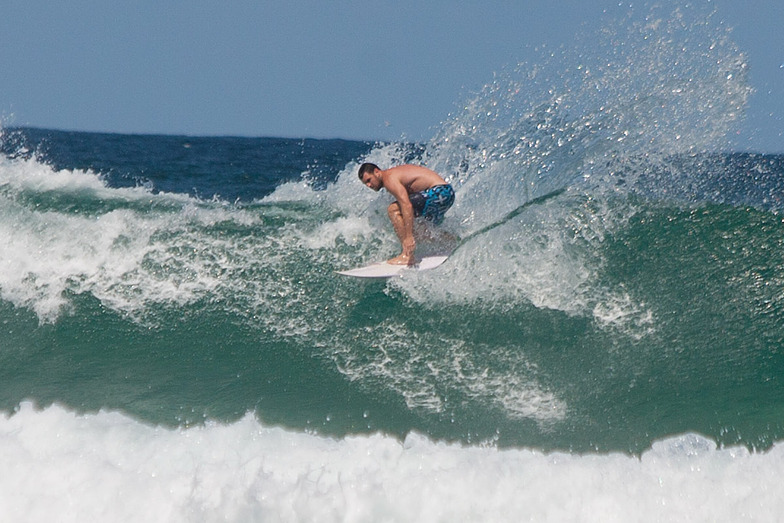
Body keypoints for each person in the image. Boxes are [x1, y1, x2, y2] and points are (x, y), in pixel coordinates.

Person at [358, 163, 455, 265]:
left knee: (393, 210)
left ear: (377, 172)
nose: (369, 185)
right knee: (417, 231)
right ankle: (450, 240)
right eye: (366, 184)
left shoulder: (389, 179)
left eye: (369, 180)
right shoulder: (395, 174)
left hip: (439, 192)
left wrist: (408, 237)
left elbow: (407, 205)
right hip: (447, 194)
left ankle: (407, 255)